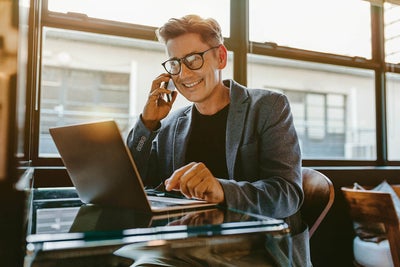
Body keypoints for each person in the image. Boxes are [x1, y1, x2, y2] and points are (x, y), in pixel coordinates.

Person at [127, 14, 303, 219]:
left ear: (220, 57)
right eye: (175, 64)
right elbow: (132, 183)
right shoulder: (171, 124)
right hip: (186, 242)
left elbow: (287, 195)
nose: (183, 74)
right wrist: (147, 124)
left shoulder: (268, 107)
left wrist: (222, 190)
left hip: (256, 242)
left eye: (193, 59)